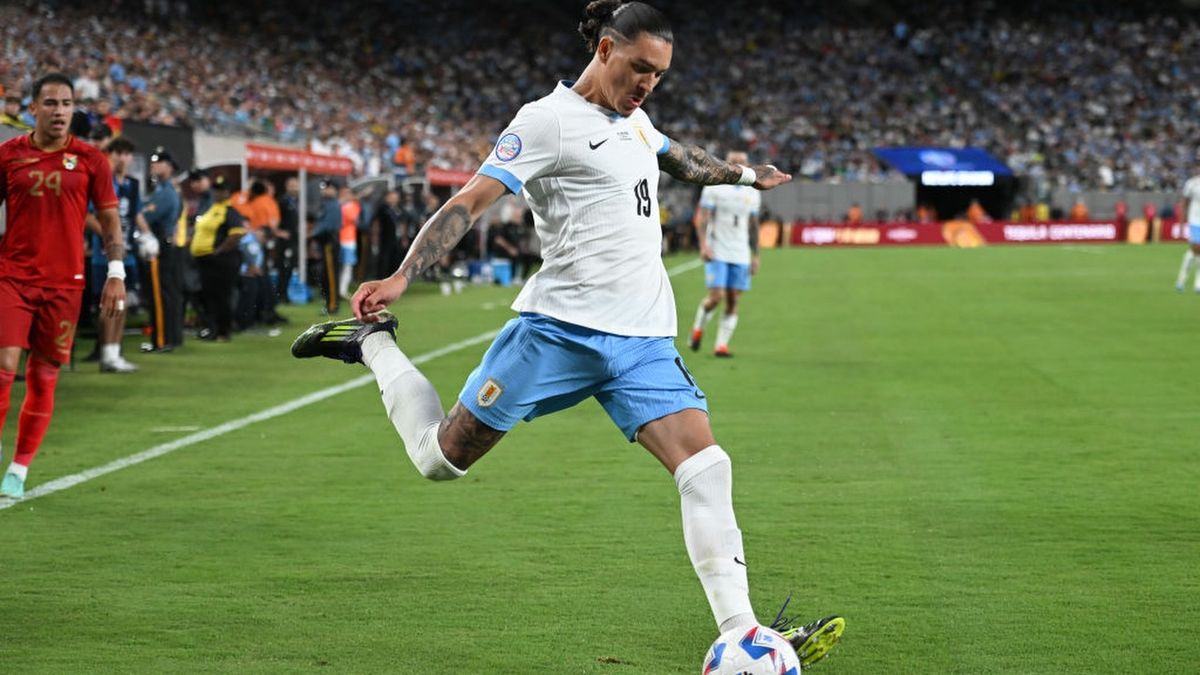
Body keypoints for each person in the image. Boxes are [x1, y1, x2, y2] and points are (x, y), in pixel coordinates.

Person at [290, 2, 843, 667]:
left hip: (642, 340)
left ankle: (744, 633)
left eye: (659, 74)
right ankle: (372, 345)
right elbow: (469, 200)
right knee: (440, 459)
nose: (647, 85)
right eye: (639, 68)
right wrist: (407, 272)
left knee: (706, 465)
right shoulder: (546, 121)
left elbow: (680, 158)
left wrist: (747, 175)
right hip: (558, 333)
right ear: (605, 49)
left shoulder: (635, 120)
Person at [0, 73, 124, 499]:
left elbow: (109, 220)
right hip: (12, 276)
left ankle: (18, 469)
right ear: (33, 108)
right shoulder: (8, 155)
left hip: (66, 284)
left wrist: (116, 273)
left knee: (44, 375)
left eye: (67, 103)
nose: (59, 111)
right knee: (4, 364)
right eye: (50, 103)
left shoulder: (91, 160)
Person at [688, 150, 761, 357]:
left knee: (732, 300)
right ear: (726, 163)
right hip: (717, 249)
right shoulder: (714, 187)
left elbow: (753, 226)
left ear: (748, 164)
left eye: (742, 161)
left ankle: (721, 345)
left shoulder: (753, 191)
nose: (738, 165)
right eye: (734, 161)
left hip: (740, 253)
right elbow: (703, 217)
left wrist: (756, 255)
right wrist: (703, 245)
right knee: (715, 297)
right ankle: (698, 329)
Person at [86, 136, 141, 373]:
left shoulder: (132, 184)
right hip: (104, 253)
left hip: (127, 252)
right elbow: (88, 215)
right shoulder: (102, 179)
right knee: (109, 303)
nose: (122, 158)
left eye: (127, 153)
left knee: (124, 302)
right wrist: (110, 239)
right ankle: (106, 354)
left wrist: (147, 235)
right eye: (118, 152)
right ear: (111, 155)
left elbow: (136, 214)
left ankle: (114, 353)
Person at [190, 175, 245, 342]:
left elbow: (236, 234)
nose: (217, 193)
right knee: (208, 297)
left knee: (222, 297)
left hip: (222, 261)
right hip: (205, 261)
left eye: (221, 190)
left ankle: (223, 331)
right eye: (215, 190)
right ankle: (211, 329)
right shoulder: (210, 209)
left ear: (227, 192)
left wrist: (218, 251)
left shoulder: (230, 211)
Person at [140, 147, 184, 352]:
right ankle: (170, 337)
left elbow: (145, 214)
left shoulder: (166, 193)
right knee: (166, 294)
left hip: (161, 247)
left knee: (159, 295)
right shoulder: (161, 190)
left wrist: (137, 210)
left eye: (158, 163)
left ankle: (162, 340)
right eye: (153, 162)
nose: (153, 166)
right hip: (164, 245)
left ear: (169, 167)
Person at [310, 180, 342, 314]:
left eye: (328, 188)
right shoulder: (326, 204)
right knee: (327, 275)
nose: (324, 191)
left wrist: (312, 233)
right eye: (323, 188)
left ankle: (333, 305)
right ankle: (330, 303)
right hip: (325, 242)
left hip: (330, 241)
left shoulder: (333, 205)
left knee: (331, 276)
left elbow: (328, 226)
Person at [1175, 172, 1200, 292]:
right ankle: (1182, 279)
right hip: (1195, 220)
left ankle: (1195, 283)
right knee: (1196, 248)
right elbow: (1184, 202)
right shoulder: (1192, 183)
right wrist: (1181, 222)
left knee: (1196, 251)